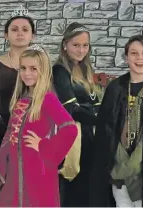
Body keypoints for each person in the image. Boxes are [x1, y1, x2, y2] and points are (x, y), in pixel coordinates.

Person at [90, 35, 143, 207]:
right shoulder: (115, 89)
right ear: (126, 57)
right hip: (117, 169)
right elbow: (104, 129)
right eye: (134, 53)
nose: (139, 58)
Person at [0, 45, 78, 207]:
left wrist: (43, 145)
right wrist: (0, 167)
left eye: (33, 69)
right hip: (15, 174)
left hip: (38, 172)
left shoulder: (48, 99)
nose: (27, 73)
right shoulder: (21, 100)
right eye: (23, 68)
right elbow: (9, 136)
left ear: (43, 71)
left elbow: (70, 129)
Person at [52, 22, 100, 207]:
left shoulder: (85, 69)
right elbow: (72, 109)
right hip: (74, 138)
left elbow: (95, 102)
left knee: (87, 188)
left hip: (90, 135)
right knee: (71, 188)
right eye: (76, 45)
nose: (81, 50)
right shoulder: (60, 70)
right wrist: (102, 119)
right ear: (65, 45)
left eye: (85, 45)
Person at [0, 5, 35, 155]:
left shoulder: (41, 66)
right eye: (14, 29)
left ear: (33, 35)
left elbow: (48, 99)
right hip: (1, 133)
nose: (20, 33)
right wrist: (6, 130)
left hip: (33, 135)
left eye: (25, 29)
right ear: (6, 35)